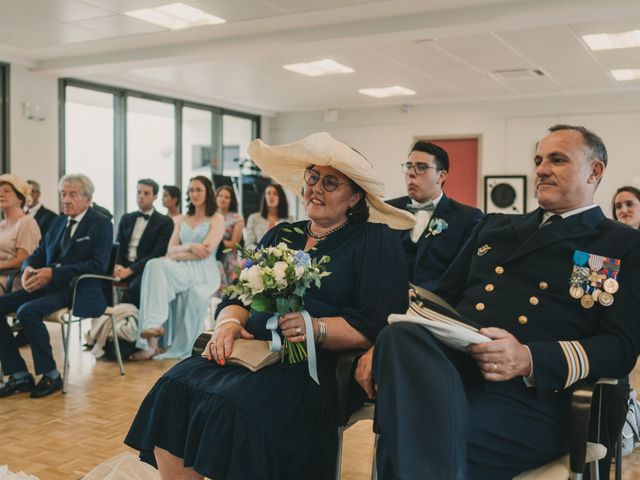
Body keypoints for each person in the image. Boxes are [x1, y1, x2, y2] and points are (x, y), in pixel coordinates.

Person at [125, 132, 414, 479]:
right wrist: (228, 325)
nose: (316, 188)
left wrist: (315, 328)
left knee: (235, 410)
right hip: (249, 351)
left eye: (331, 182)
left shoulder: (374, 240)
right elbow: (238, 294)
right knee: (173, 387)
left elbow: (376, 323)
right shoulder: (282, 234)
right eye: (313, 177)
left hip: (311, 366)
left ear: (354, 197)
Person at [358, 125, 640, 479]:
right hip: (453, 374)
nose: (540, 169)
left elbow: (620, 346)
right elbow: (439, 298)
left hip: (539, 397)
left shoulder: (619, 244)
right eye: (538, 160)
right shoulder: (495, 226)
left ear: (594, 171)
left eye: (557, 160)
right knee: (397, 336)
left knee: (407, 429)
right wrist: (378, 348)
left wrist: (528, 359)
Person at [0, 174, 112, 398]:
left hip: (76, 289)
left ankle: (51, 374)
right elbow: (39, 253)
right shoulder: (58, 221)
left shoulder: (101, 223)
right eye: (63, 194)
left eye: (72, 194)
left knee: (27, 311)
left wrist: (54, 273)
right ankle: (19, 374)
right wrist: (28, 270)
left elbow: (98, 265)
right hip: (46, 283)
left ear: (87, 198)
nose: (66, 199)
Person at [129, 175, 225, 361]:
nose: (194, 194)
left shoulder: (217, 218)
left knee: (192, 294)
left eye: (198, 190)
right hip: (181, 268)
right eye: (191, 190)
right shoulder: (181, 218)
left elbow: (206, 251)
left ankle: (169, 342)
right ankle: (152, 327)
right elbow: (170, 248)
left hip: (204, 271)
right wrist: (189, 247)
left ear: (208, 193)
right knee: (154, 264)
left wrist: (176, 254)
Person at [387, 141, 483, 290]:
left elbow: (461, 273)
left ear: (441, 176)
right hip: (384, 301)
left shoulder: (468, 218)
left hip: (436, 305)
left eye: (421, 167)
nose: (411, 173)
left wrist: (422, 294)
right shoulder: (387, 210)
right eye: (409, 167)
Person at [114, 179, 174, 307]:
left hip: (144, 268)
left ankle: (128, 323)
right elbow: (118, 245)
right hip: (123, 265)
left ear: (155, 197)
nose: (141, 196)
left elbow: (157, 253)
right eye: (139, 192)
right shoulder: (126, 218)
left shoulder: (165, 222)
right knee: (98, 280)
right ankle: (105, 323)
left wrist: (129, 270)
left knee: (136, 287)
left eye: (146, 193)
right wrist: (117, 266)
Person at [0, 175, 41, 294]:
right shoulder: (1, 224)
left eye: (7, 191)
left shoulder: (27, 222)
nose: (1, 194)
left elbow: (24, 260)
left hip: (14, 279)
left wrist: (1, 264)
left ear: (20, 198)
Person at [244, 183, 292, 249]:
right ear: (264, 197)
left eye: (275, 194)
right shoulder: (254, 218)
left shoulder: (290, 220)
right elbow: (248, 245)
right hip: (259, 257)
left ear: (281, 197)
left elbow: (292, 244)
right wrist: (263, 252)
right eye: (268, 193)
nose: (271, 196)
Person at [215, 185, 244, 286]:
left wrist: (214, 242)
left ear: (231, 200)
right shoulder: (210, 216)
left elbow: (234, 243)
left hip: (229, 258)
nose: (222, 199)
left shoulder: (237, 218)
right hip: (212, 257)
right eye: (220, 195)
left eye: (226, 197)